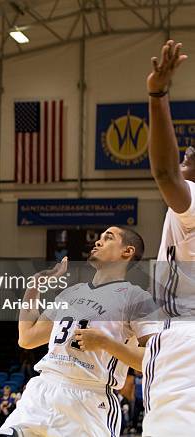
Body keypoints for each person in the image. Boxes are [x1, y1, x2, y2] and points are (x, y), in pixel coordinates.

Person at [0, 227, 160, 436]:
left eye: (108, 238)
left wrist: (106, 343)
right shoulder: (71, 292)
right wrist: (34, 287)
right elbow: (27, 338)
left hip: (89, 400)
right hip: (43, 392)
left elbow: (155, 359)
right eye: (99, 238)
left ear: (127, 252)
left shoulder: (136, 298)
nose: (98, 242)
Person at [142, 39, 195, 435]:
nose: (180, 160)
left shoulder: (191, 202)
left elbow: (164, 175)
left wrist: (157, 95)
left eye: (187, 158)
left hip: (185, 339)